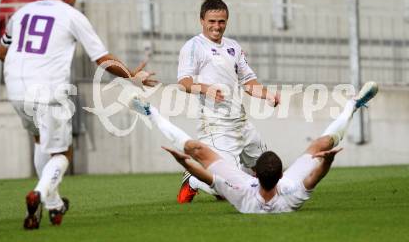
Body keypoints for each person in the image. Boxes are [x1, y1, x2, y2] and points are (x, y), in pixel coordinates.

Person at [0, 0, 155, 229]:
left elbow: (1, 51)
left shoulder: (21, 13)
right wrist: (130, 75)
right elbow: (102, 59)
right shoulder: (72, 15)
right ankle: (39, 192)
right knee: (63, 151)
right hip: (47, 90)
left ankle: (54, 205)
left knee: (40, 141)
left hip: (15, 89)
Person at [129, 81, 378, 213]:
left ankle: (151, 113)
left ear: (256, 176)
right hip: (269, 178)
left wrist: (184, 162)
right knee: (323, 144)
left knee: (196, 149)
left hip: (242, 181)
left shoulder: (243, 192)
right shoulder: (289, 192)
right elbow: (314, 177)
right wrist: (327, 160)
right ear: (280, 176)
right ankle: (352, 105)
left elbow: (207, 173)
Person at [176, 0, 280, 203]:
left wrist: (267, 94)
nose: (217, 26)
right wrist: (206, 89)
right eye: (212, 21)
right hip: (216, 124)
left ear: (227, 21)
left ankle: (240, 176)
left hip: (240, 122)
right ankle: (194, 180)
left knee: (268, 170)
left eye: (221, 21)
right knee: (224, 190)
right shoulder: (194, 46)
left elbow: (249, 81)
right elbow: (184, 82)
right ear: (202, 20)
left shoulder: (233, 46)